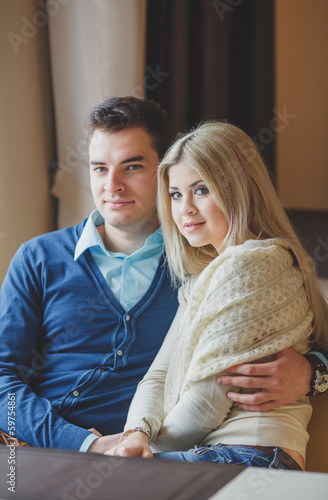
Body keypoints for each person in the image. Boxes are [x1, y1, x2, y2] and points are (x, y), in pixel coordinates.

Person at [0, 98, 326, 453]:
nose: (112, 185)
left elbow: (312, 329)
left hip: (152, 458)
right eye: (99, 168)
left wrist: (313, 374)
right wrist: (82, 443)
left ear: (164, 169)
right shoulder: (39, 258)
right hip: (42, 448)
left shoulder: (204, 263)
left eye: (132, 166)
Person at [105, 121, 328, 470]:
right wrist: (135, 434)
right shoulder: (205, 279)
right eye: (176, 194)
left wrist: (138, 455)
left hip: (253, 454)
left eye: (202, 190)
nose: (185, 209)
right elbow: (158, 376)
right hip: (214, 452)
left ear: (240, 189)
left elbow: (208, 401)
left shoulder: (255, 265)